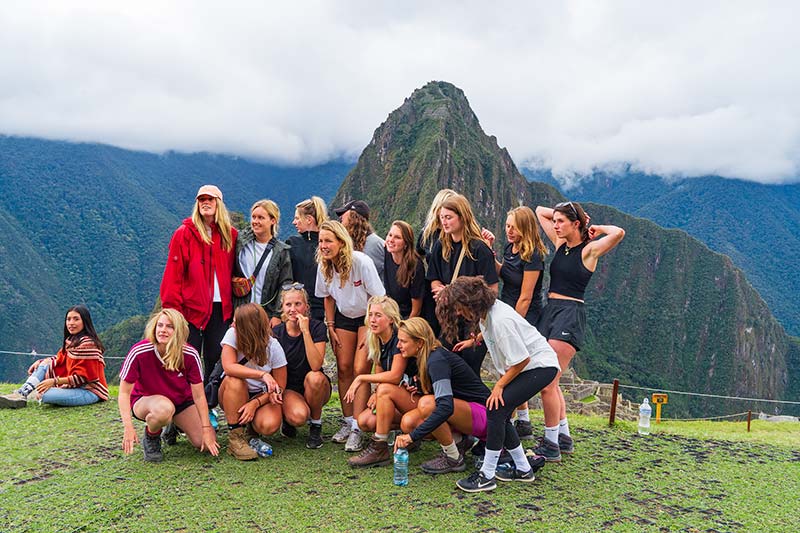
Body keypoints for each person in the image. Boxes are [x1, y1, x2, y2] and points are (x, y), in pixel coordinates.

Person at [436, 277, 559, 492]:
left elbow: (522, 360)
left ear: (470, 303)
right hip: (531, 365)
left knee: (497, 408)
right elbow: (490, 330)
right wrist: (474, 341)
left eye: (459, 307)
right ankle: (522, 468)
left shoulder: (501, 320)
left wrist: (499, 386)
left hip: (540, 366)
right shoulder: (486, 313)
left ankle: (487, 474)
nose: (457, 313)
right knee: (499, 411)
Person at [533, 201, 625, 461]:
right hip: (550, 310)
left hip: (570, 314)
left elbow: (618, 233)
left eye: (562, 222)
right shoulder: (561, 244)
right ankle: (563, 436)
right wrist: (565, 216)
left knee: (547, 380)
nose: (556, 225)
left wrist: (590, 225)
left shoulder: (589, 251)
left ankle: (551, 443)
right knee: (553, 380)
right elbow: (540, 211)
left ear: (576, 225)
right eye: (556, 221)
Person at [315, 220, 385, 446]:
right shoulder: (324, 265)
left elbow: (378, 298)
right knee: (344, 368)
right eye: (321, 241)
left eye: (328, 241)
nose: (323, 246)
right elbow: (327, 296)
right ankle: (348, 420)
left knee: (360, 368)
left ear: (340, 241)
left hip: (367, 314)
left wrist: (371, 328)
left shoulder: (360, 262)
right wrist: (331, 325)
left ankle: (358, 426)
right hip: (343, 316)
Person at [481, 206, 549, 439]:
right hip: (506, 308)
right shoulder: (511, 248)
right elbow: (505, 273)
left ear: (525, 228)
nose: (509, 231)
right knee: (510, 364)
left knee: (516, 366)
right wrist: (490, 253)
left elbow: (527, 296)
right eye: (507, 226)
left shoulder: (533, 256)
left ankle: (516, 418)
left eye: (514, 227)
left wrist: (512, 324)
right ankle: (522, 421)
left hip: (523, 315)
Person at [118, 309, 220, 462]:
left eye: (169, 326)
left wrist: (206, 428)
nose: (163, 330)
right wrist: (128, 426)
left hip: (181, 401)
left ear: (178, 330)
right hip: (145, 401)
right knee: (164, 409)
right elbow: (124, 393)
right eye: (160, 325)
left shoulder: (190, 355)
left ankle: (173, 425)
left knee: (204, 444)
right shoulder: (139, 351)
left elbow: (199, 395)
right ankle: (152, 437)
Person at [392, 317, 491, 475]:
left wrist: (411, 437)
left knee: (427, 405)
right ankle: (460, 441)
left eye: (403, 341)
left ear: (420, 343)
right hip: (469, 412)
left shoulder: (437, 360)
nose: (398, 346)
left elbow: (445, 406)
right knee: (409, 422)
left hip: (488, 417)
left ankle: (453, 458)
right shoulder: (427, 357)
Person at [160, 184, 238, 382]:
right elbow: (173, 275)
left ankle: (209, 404)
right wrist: (171, 310)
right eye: (202, 200)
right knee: (188, 356)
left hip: (221, 308)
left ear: (219, 203)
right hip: (190, 308)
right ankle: (188, 403)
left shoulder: (231, 235)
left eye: (210, 199)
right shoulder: (184, 234)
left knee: (215, 356)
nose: (205, 203)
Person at [426, 193, 498, 376]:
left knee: (469, 370)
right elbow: (433, 278)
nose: (444, 222)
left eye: (449, 217)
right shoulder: (440, 246)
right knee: (443, 364)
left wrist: (460, 299)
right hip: (448, 321)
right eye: (442, 218)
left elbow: (492, 290)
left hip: (473, 322)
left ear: (462, 217)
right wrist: (440, 291)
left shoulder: (480, 249)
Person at [343, 296, 417, 457]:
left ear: (391, 319)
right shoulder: (377, 338)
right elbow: (380, 369)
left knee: (384, 390)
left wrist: (361, 378)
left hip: (416, 395)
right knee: (364, 421)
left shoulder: (399, 338)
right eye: (370, 315)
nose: (373, 320)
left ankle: (398, 437)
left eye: (378, 315)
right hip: (396, 394)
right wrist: (376, 393)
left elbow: (395, 376)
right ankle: (400, 431)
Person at [0, 305, 108, 408]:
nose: (71, 323)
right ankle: (21, 394)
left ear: (85, 321)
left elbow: (84, 378)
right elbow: (60, 360)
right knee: (45, 364)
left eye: (76, 319)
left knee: (45, 395)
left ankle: (33, 392)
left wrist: (54, 381)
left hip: (89, 390)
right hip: (74, 386)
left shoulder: (88, 344)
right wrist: (41, 362)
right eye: (68, 319)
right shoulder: (71, 341)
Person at [218, 303, 287, 460]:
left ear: (248, 327)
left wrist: (255, 403)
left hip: (261, 395)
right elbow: (228, 367)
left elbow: (280, 386)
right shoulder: (232, 335)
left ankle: (251, 431)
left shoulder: (273, 347)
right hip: (232, 393)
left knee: (269, 425)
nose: (232, 325)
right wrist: (262, 375)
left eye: (236, 322)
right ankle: (235, 438)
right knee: (235, 380)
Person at [272, 284, 331, 450]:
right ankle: (288, 416)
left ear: (306, 306)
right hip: (290, 387)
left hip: (315, 386)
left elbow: (316, 365)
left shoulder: (317, 327)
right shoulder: (277, 332)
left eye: (298, 304)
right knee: (298, 417)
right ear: (282, 308)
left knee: (315, 377)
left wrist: (305, 331)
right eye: (288, 305)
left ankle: (316, 426)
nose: (293, 309)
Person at [234, 199, 292, 327]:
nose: (255, 221)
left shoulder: (281, 251)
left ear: (273, 220)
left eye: (261, 218)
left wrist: (277, 315)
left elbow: (285, 284)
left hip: (266, 314)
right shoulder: (240, 244)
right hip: (241, 313)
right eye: (253, 217)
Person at [416, 188, 458, 336]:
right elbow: (416, 256)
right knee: (431, 333)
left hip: (456, 293)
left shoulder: (457, 235)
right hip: (432, 292)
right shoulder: (427, 234)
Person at [286, 196, 328, 321]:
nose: (294, 222)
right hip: (302, 308)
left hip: (317, 309)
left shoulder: (294, 244)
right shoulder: (328, 243)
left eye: (297, 218)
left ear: (309, 219)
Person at [335, 200, 385, 282]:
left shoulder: (377, 245)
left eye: (343, 214)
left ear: (353, 218)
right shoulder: (348, 245)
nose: (340, 219)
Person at [384, 220, 425, 319]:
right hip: (393, 313)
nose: (391, 240)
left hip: (410, 317)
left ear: (406, 244)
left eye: (397, 237)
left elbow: (416, 309)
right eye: (390, 235)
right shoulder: (387, 253)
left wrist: (405, 328)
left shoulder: (415, 266)